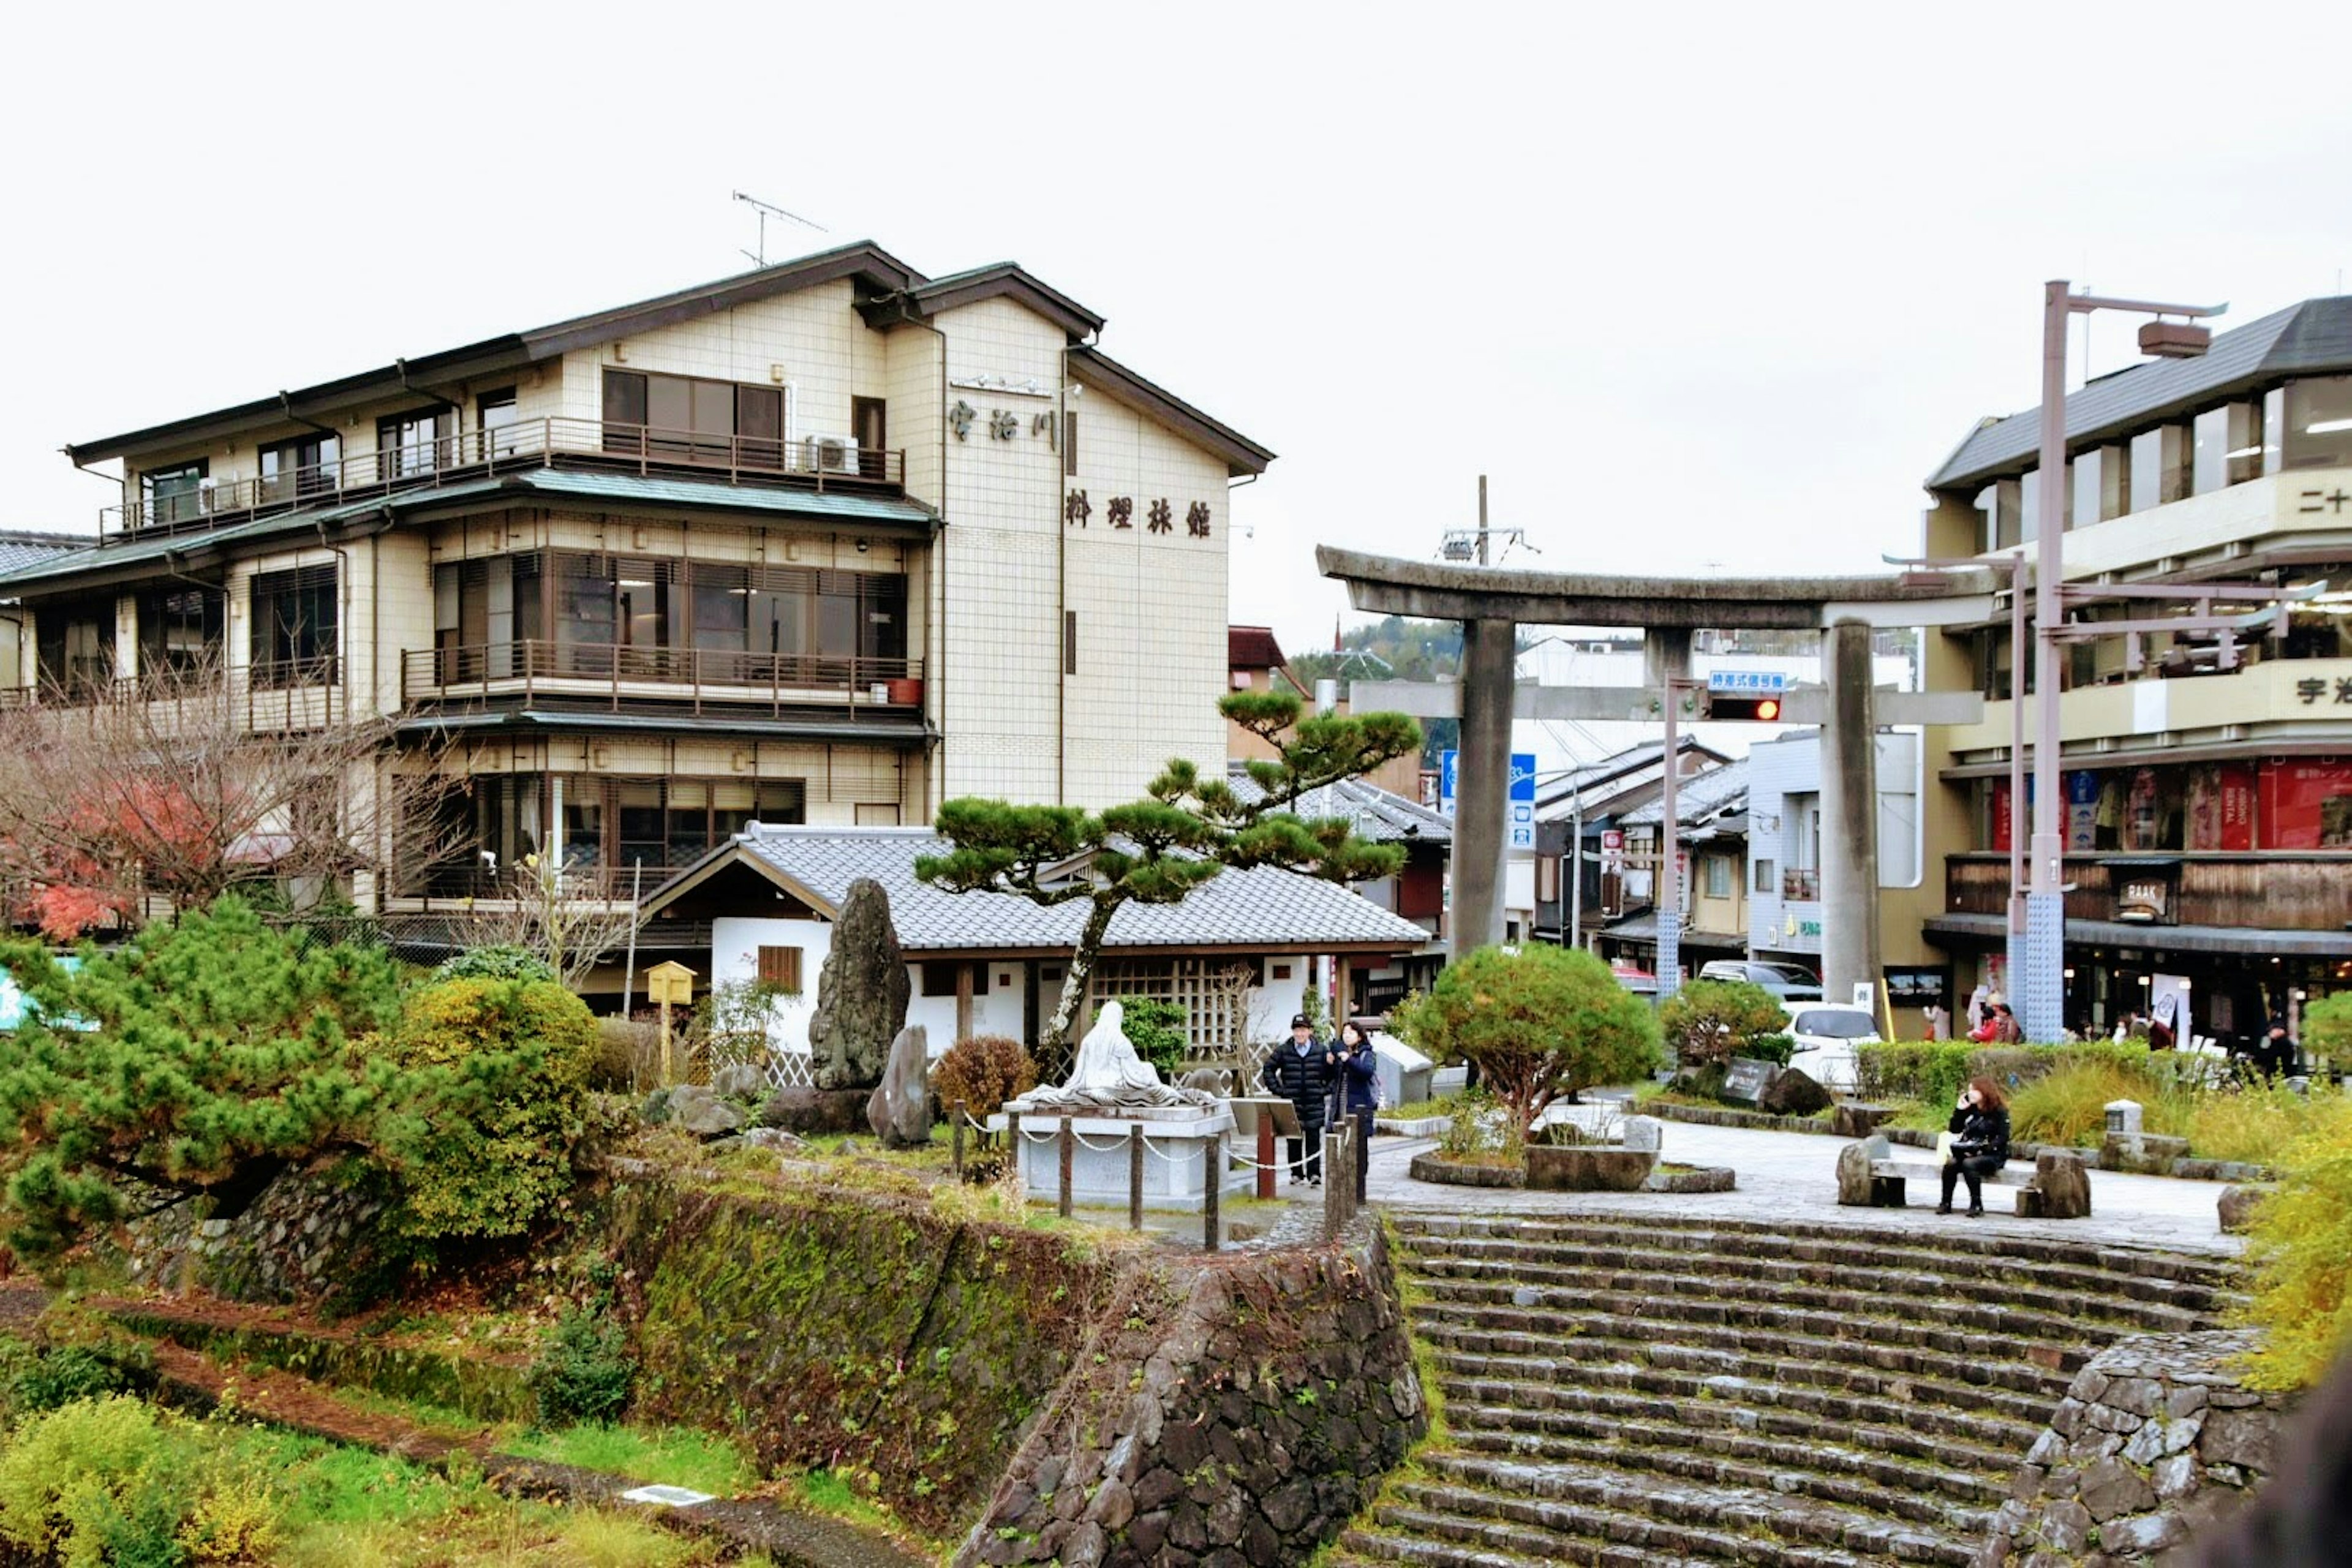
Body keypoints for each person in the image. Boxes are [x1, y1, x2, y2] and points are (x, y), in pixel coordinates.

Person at [1261, 1012, 1334, 1185]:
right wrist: (1279, 1090)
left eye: (1303, 1030)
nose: (1300, 1034)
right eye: (1296, 1030)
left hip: (1314, 1102)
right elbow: (1268, 1068)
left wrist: (1324, 1090)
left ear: (1310, 1031)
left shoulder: (1321, 1050)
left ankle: (1314, 1174)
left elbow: (1334, 1074)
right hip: (1292, 1102)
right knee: (1293, 1139)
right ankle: (1296, 1173)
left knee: (1314, 1140)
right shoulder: (1284, 1050)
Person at [1938, 1076, 2011, 1218]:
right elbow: (1954, 1129)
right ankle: (1945, 1202)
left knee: (1969, 1164)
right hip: (1969, 1150)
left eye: (1974, 1090)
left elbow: (2003, 1138)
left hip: (1992, 1155)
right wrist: (1959, 1110)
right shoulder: (1970, 1109)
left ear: (1985, 1092)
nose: (1970, 1093)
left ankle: (1976, 1204)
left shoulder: (1999, 1111)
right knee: (1951, 1164)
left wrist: (1983, 1149)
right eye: (1969, 1090)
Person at [1336, 1020, 1381, 1205]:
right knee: (1343, 1147)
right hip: (1343, 1105)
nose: (1347, 1036)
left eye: (1351, 1033)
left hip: (1361, 1108)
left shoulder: (1366, 1054)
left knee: (1360, 1148)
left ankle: (1359, 1187)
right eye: (1345, 1033)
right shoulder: (1342, 1053)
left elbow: (1367, 1072)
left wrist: (1349, 1060)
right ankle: (1345, 1184)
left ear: (1359, 1036)